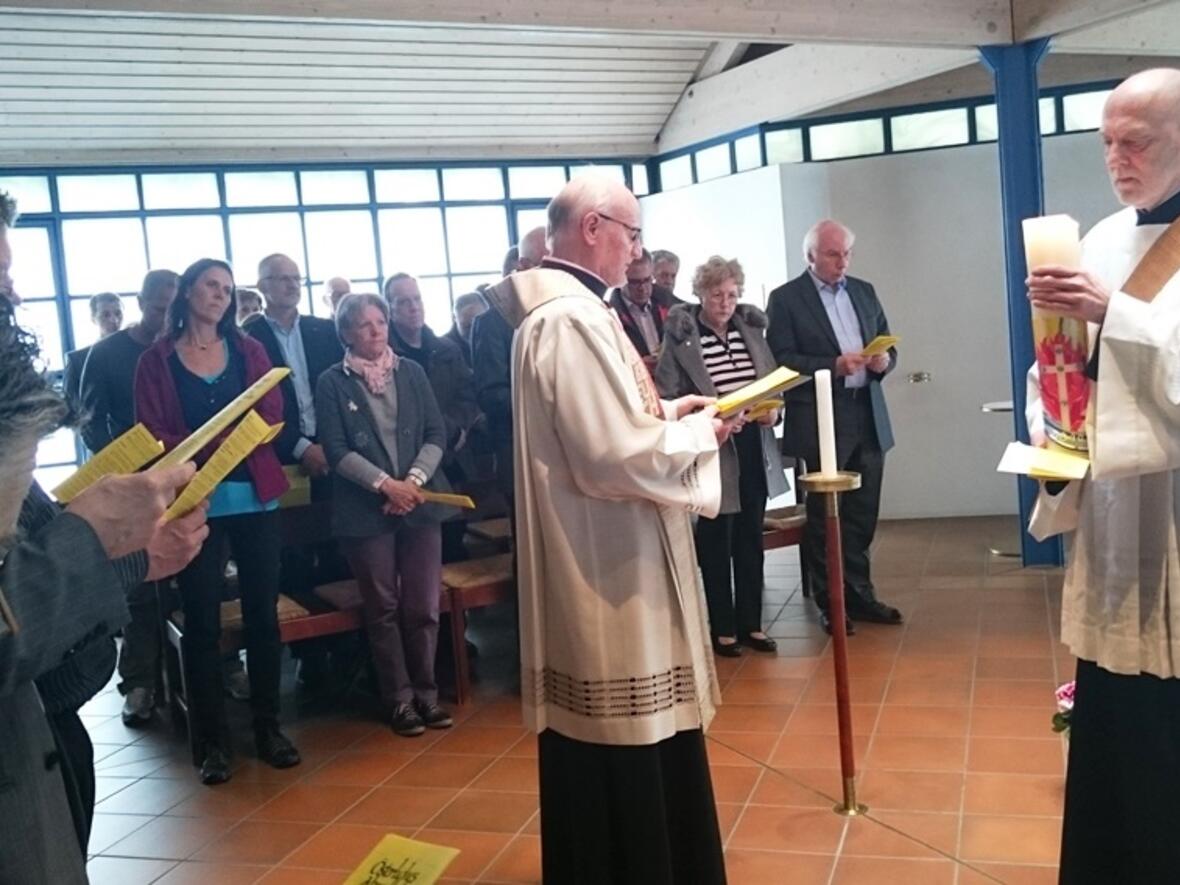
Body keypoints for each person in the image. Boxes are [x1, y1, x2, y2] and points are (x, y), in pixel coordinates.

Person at [485, 173, 737, 883]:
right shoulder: (569, 319)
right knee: (624, 739)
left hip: (607, 551)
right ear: (593, 227)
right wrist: (700, 439)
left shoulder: (574, 312)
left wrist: (671, 415)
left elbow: (613, 425)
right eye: (631, 233)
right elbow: (605, 455)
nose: (638, 251)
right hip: (606, 567)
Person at [0, 188, 206, 881]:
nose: (16, 300)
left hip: (41, 738)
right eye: (0, 282)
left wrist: (124, 549)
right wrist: (96, 546)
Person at [1024, 67, 1180, 885]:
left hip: (1177, 523)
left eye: (1138, 142)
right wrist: (1053, 422)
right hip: (1119, 520)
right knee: (1114, 728)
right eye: (1107, 143)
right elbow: (1058, 371)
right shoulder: (1100, 242)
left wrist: (1112, 312)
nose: (1117, 159)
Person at [135, 257, 300, 785]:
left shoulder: (249, 350)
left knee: (262, 617)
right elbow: (153, 430)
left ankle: (269, 727)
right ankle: (212, 742)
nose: (221, 295)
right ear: (186, 293)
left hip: (255, 499)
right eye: (211, 286)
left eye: (228, 289)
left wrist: (222, 446)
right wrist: (209, 452)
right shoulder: (156, 360)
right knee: (202, 623)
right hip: (194, 505)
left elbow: (272, 414)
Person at [316, 292, 454, 737]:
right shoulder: (332, 382)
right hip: (365, 507)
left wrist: (412, 482)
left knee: (425, 605)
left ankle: (428, 694)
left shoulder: (411, 372)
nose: (377, 331)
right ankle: (399, 700)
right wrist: (385, 485)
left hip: (419, 500)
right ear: (345, 334)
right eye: (364, 325)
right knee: (383, 608)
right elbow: (335, 450)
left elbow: (436, 432)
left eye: (381, 321)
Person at [766, 219, 903, 635]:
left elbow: (887, 341)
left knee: (863, 512)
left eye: (846, 253)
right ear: (811, 257)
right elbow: (782, 358)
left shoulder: (864, 290)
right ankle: (832, 602)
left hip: (866, 414)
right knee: (826, 516)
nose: (842, 262)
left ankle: (860, 594)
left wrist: (884, 361)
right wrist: (833, 365)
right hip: (821, 416)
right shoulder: (787, 299)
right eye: (832, 254)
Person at [655, 256, 789, 658]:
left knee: (750, 536)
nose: (726, 302)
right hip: (712, 449)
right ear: (700, 294)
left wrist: (773, 412)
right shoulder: (681, 336)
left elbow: (771, 383)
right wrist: (709, 420)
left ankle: (752, 623)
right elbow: (668, 395)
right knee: (716, 541)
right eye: (717, 294)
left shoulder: (751, 329)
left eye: (732, 294)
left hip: (753, 446)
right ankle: (723, 628)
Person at [77, 269, 179, 726]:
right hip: (130, 479)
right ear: (141, 303)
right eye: (158, 309)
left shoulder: (183, 349)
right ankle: (139, 681)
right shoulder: (108, 353)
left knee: (199, 575)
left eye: (172, 310)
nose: (164, 318)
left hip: (180, 478)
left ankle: (216, 667)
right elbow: (90, 422)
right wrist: (128, 457)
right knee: (141, 584)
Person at [385, 272, 481, 561]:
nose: (414, 307)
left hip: (451, 456)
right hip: (405, 464)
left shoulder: (446, 348)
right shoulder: (385, 356)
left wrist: (454, 428)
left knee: (453, 542)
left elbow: (467, 397)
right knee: (413, 551)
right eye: (404, 302)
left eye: (417, 299)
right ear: (390, 308)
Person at [472, 226, 549, 510]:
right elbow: (491, 394)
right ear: (524, 267)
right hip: (519, 449)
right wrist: (550, 401)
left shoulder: (560, 313)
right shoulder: (492, 322)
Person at [609, 248, 670, 370]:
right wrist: (638, 365)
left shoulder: (667, 303)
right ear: (622, 279)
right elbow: (610, 362)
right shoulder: (610, 314)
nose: (642, 288)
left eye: (647, 280)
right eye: (634, 282)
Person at [62, 291, 122, 412]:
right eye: (105, 315)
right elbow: (71, 410)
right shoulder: (77, 360)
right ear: (93, 319)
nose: (114, 320)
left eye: (118, 313)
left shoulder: (138, 354)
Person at [444, 290, 488, 367]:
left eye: (479, 325)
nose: (473, 332)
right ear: (455, 318)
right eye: (468, 327)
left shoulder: (498, 341)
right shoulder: (444, 350)